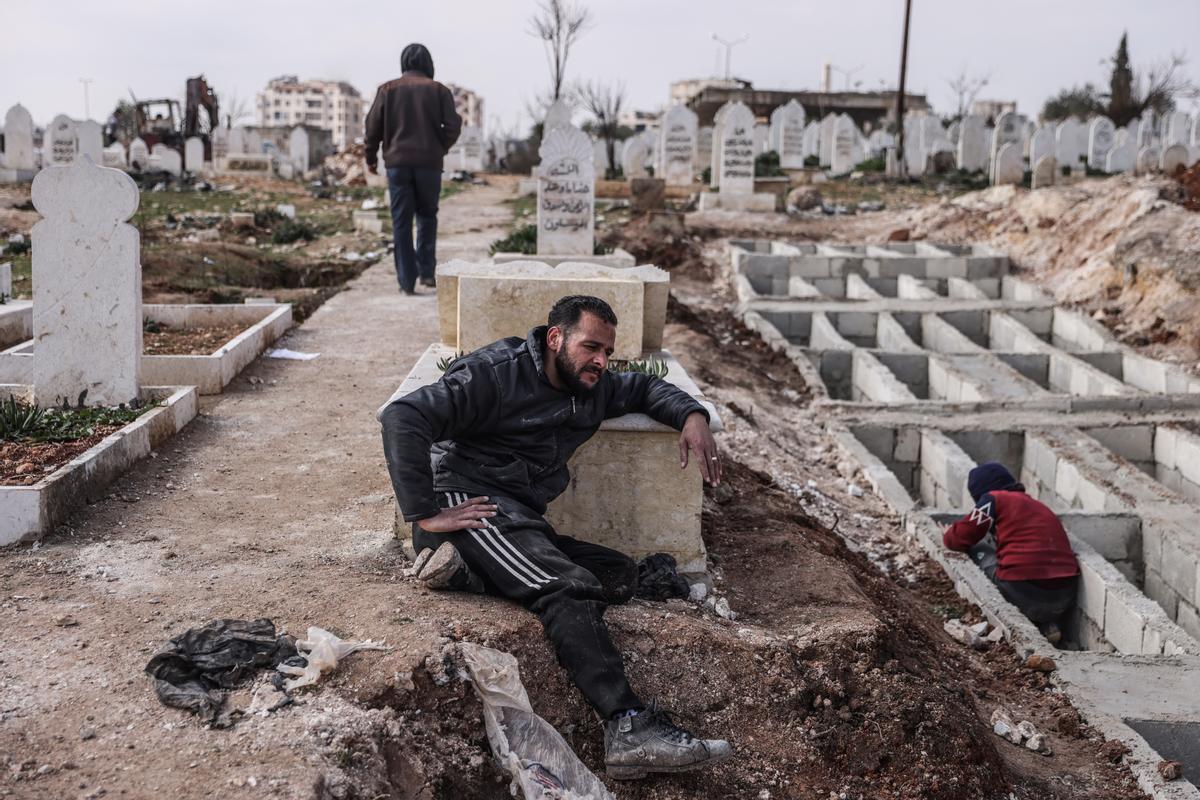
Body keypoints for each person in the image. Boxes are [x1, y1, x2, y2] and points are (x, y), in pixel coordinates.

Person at [380, 295, 733, 779]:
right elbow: (404, 416)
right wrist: (425, 513)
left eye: (607, 352)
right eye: (591, 347)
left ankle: (468, 573)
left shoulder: (588, 386)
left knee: (616, 573)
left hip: (518, 516)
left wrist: (692, 416)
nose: (600, 361)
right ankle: (627, 726)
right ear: (555, 338)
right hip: (472, 503)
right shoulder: (495, 374)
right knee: (567, 585)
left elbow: (646, 388)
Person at [943, 462, 1080, 643]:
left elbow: (960, 538)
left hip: (1022, 592)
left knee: (979, 548)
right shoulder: (1037, 505)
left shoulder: (992, 498)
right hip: (1063, 598)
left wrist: (947, 534)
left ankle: (1034, 622)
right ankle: (1047, 625)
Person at [364, 43, 461, 295]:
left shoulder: (387, 90)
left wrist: (371, 158)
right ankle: (427, 272)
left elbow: (372, 128)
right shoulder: (439, 91)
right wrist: (439, 148)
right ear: (428, 63)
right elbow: (452, 126)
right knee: (427, 216)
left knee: (401, 222)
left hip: (397, 165)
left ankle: (406, 281)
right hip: (429, 165)